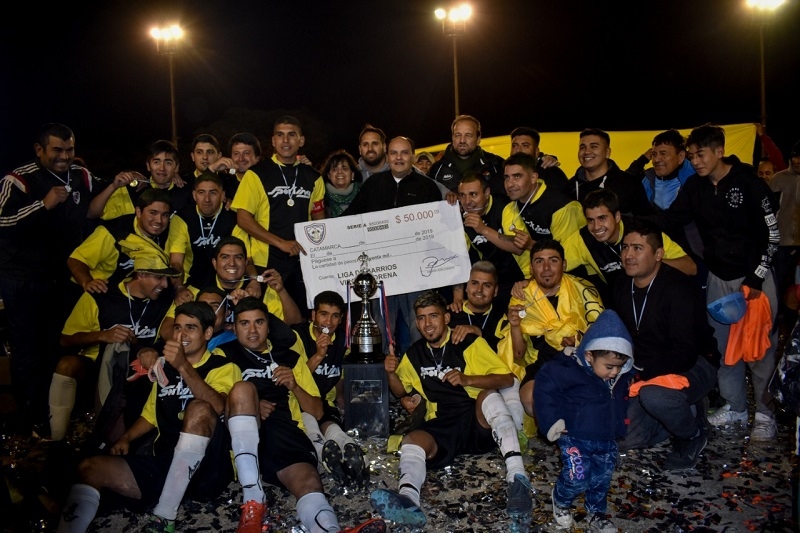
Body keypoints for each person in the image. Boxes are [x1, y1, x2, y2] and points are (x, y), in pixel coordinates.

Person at [56, 301, 242, 533]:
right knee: (90, 467)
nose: (181, 334)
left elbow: (218, 407)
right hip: (166, 462)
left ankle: (165, 513)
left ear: (207, 333)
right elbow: (151, 414)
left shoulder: (223, 366)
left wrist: (183, 366)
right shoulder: (165, 368)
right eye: (177, 327)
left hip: (208, 466)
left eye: (191, 327)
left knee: (198, 408)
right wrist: (126, 438)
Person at [0, 123, 128, 432]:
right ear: (39, 149)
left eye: (69, 150)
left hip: (63, 279)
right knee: (27, 349)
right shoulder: (18, 179)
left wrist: (118, 184)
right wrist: (41, 205)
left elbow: (95, 206)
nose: (64, 156)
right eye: (57, 150)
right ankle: (31, 418)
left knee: (56, 346)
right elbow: (2, 221)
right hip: (23, 278)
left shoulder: (81, 175)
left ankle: (57, 418)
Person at [217, 297, 384, 533]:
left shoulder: (289, 357)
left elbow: (316, 410)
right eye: (245, 323)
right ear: (234, 328)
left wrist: (295, 385)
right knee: (243, 390)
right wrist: (252, 404)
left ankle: (330, 529)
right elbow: (216, 403)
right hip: (244, 431)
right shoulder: (224, 354)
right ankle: (253, 501)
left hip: (285, 429)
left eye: (259, 322)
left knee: (309, 482)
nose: (252, 330)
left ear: (268, 326)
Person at [370, 291, 532, 527]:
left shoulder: (467, 342)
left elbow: (507, 379)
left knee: (489, 396)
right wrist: (391, 373)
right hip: (441, 420)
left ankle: (517, 477)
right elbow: (400, 391)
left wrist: (468, 379)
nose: (428, 324)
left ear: (446, 318)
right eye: (422, 318)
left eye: (433, 316)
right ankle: (408, 500)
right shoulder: (415, 353)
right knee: (413, 440)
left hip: (476, 419)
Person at [663, 124, 780, 441]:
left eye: (700, 154)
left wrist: (756, 276)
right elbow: (670, 219)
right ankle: (736, 406)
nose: (695, 161)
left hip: (754, 279)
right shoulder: (695, 187)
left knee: (760, 348)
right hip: (718, 277)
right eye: (691, 156)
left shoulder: (750, 183)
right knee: (725, 348)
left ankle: (765, 414)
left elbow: (773, 235)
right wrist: (630, 223)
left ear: (719, 151)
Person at [613, 220, 719, 470]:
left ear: (658, 254)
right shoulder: (620, 284)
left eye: (638, 248)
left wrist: (640, 373)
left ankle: (692, 433)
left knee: (654, 396)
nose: (628, 255)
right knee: (621, 438)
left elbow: (685, 352)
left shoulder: (680, 288)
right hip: (646, 369)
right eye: (625, 247)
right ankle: (679, 415)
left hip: (693, 364)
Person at [49, 252, 179, 442]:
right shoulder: (102, 295)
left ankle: (116, 437)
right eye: (159, 277)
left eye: (167, 278)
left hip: (139, 369)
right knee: (67, 364)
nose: (165, 284)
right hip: (99, 365)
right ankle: (56, 439)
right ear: (141, 274)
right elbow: (65, 339)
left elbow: (168, 335)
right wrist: (102, 335)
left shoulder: (166, 299)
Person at [534, 309, 634, 532]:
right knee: (577, 477)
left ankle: (596, 513)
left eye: (619, 366)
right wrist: (552, 421)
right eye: (609, 367)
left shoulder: (620, 376)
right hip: (575, 436)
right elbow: (545, 389)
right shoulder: (568, 370)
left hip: (607, 439)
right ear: (589, 356)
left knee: (601, 480)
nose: (614, 372)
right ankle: (561, 500)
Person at [342, 136, 443, 353]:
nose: (399, 158)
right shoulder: (373, 184)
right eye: (394, 153)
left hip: (417, 275)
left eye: (404, 153)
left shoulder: (427, 187)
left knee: (419, 328)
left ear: (413, 157)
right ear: (387, 156)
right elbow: (350, 217)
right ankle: (381, 373)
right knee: (380, 329)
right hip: (382, 273)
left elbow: (440, 228)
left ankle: (422, 370)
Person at [497, 239, 604, 422]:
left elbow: (603, 334)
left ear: (564, 265)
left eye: (553, 260)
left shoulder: (583, 289)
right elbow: (518, 355)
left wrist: (580, 339)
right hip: (542, 362)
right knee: (531, 399)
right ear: (531, 268)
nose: (546, 268)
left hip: (581, 358)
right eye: (539, 261)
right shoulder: (521, 297)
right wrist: (515, 326)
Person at [232, 116, 326, 316]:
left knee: (299, 320)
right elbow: (243, 219)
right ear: (273, 141)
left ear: (301, 140)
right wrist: (281, 243)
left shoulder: (314, 177)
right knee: (265, 320)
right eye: (280, 135)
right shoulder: (256, 174)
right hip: (265, 262)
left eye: (291, 135)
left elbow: (319, 220)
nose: (285, 140)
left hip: (301, 263)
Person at [561, 189, 696, 304]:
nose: (596, 227)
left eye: (602, 218)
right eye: (590, 220)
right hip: (622, 302)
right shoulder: (583, 239)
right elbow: (554, 261)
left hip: (660, 297)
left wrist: (649, 264)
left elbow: (691, 267)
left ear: (617, 216)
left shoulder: (643, 231)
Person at [292, 291, 368, 487]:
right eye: (324, 314)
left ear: (341, 319)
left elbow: (339, 374)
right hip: (297, 398)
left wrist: (341, 398)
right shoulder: (297, 336)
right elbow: (294, 379)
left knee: (331, 424)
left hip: (325, 400)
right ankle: (322, 452)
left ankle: (349, 448)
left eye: (335, 316)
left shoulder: (344, 340)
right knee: (309, 420)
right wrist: (318, 355)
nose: (328, 321)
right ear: (313, 315)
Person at [158, 235, 302, 339]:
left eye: (238, 257)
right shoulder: (196, 289)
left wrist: (281, 291)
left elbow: (294, 323)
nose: (232, 263)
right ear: (214, 263)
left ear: (246, 263)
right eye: (225, 257)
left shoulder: (261, 288)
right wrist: (190, 345)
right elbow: (166, 328)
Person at [68, 188, 185, 294]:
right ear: (138, 212)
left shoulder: (168, 233)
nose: (159, 220)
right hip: (98, 292)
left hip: (132, 295)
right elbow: (75, 260)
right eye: (153, 213)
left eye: (165, 215)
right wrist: (87, 282)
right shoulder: (113, 232)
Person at [501, 152, 586, 279]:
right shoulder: (511, 208)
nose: (510, 184)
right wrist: (530, 280)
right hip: (540, 275)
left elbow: (568, 257)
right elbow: (521, 255)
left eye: (517, 176)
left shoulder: (561, 206)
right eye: (506, 178)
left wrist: (531, 245)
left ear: (533, 178)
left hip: (576, 275)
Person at [456, 172, 525, 310]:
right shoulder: (461, 218)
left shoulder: (506, 207)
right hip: (493, 280)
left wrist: (483, 230)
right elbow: (459, 260)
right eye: (462, 195)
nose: (467, 201)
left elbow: (518, 247)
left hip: (522, 277)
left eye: (473, 194)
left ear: (487, 193)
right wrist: (458, 297)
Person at [172, 172, 239, 291]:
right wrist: (179, 288)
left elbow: (243, 258)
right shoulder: (182, 218)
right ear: (194, 195)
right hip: (191, 285)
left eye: (213, 193)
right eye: (201, 193)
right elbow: (176, 262)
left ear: (222, 195)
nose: (207, 199)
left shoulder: (234, 217)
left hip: (225, 284)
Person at [101, 140, 192, 220]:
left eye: (168, 163)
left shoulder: (187, 193)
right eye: (156, 162)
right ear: (148, 166)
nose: (162, 168)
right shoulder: (133, 190)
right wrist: (113, 186)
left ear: (176, 167)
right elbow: (97, 213)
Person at [570, 128, 651, 217]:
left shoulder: (629, 184)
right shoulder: (570, 187)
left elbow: (646, 221)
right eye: (582, 147)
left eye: (594, 146)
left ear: (607, 152)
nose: (587, 151)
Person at [428, 115, 506, 194]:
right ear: (452, 137)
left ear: (478, 139)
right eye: (458, 135)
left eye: (468, 135)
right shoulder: (436, 170)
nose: (462, 140)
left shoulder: (496, 165)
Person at [768, 140, 800, 327]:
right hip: (781, 244)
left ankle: (792, 326)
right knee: (778, 285)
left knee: (797, 289)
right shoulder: (778, 179)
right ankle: (776, 324)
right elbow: (768, 212)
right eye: (796, 156)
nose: (798, 161)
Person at [509, 126, 570, 194]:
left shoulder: (552, 175)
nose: (518, 150)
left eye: (525, 146)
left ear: (536, 151)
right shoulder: (503, 172)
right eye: (514, 146)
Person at [321, 149, 361, 217]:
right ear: (329, 176)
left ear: (352, 175)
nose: (339, 172)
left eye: (344, 168)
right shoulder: (321, 199)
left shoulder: (364, 195)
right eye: (334, 169)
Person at [224, 132, 262, 202]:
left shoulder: (266, 182)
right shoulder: (224, 183)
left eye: (246, 153)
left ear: (257, 158)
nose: (241, 158)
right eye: (236, 154)